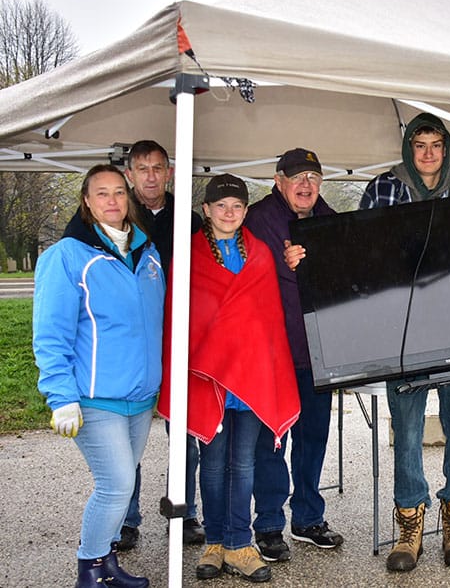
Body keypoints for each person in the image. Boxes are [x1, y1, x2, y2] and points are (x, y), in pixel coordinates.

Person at [157, 174, 301, 583]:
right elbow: (182, 316)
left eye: (237, 206)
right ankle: (215, 542)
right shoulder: (190, 254)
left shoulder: (258, 253)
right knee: (213, 463)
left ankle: (240, 544)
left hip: (250, 378)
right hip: (209, 377)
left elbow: (266, 317)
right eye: (221, 206)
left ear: (245, 211)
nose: (229, 213)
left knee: (243, 463)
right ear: (206, 210)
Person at [358, 112, 450, 572]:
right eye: (419, 145)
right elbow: (362, 255)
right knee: (407, 431)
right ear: (409, 149)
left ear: (446, 148)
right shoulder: (382, 190)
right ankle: (409, 523)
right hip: (403, 334)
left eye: (435, 145)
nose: (428, 154)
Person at [32, 164, 165, 588]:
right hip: (95, 398)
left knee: (122, 488)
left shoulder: (148, 254)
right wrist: (60, 396)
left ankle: (106, 562)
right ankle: (88, 569)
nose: (112, 201)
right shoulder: (68, 256)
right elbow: (50, 333)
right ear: (87, 203)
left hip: (141, 397)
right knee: (116, 484)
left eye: (119, 193)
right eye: (102, 193)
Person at [244, 147, 344, 562]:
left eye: (314, 178)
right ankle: (268, 524)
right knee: (270, 441)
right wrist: (284, 264)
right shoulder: (257, 219)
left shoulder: (329, 220)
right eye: (298, 178)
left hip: (318, 353)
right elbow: (247, 275)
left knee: (313, 439)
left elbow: (347, 271)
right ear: (278, 180)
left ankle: (307, 517)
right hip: (273, 353)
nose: (306, 186)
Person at [120, 139, 205, 549]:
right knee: (126, 438)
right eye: (142, 168)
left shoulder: (189, 221)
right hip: (131, 342)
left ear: (169, 172)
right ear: (129, 174)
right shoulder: (117, 219)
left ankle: (184, 511)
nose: (151, 176)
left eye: (158, 168)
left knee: (184, 435)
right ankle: (124, 518)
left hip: (179, 338)